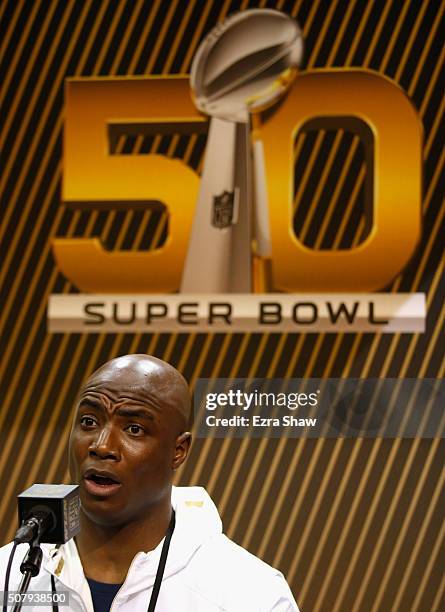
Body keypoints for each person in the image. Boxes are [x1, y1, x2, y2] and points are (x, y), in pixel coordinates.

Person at [0, 354, 299, 611]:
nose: (102, 446)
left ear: (178, 451)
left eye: (134, 428)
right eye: (89, 422)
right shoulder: (7, 576)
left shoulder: (251, 595)